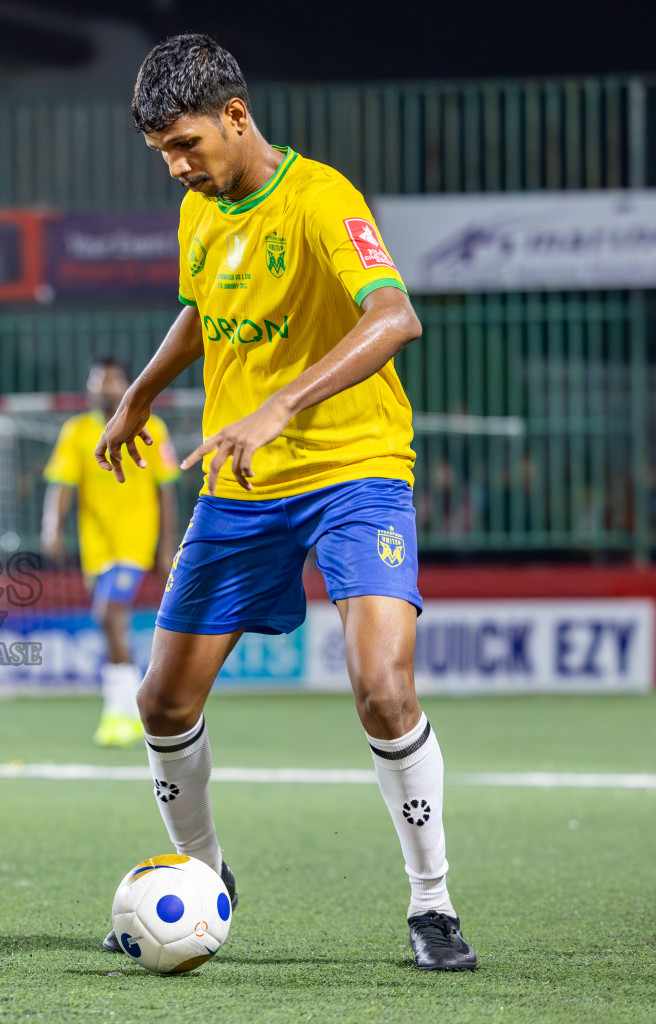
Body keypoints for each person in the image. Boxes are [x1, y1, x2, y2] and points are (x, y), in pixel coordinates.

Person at [94, 35, 475, 971]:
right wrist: (142, 392)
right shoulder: (202, 209)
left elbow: (395, 317)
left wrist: (278, 405)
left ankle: (434, 906)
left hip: (354, 468)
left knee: (385, 694)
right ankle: (204, 881)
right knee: (162, 702)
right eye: (163, 156)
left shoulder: (321, 199)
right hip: (243, 477)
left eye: (186, 145)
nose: (179, 168)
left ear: (236, 116)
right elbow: (203, 308)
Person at [41, 357, 178, 748]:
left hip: (135, 542)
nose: (104, 387)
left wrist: (166, 545)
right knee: (112, 623)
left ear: (128, 386)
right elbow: (62, 483)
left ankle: (119, 709)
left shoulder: (153, 427)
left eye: (113, 380)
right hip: (95, 549)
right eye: (97, 380)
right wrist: (52, 526)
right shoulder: (77, 431)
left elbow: (165, 488)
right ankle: (130, 711)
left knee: (108, 613)